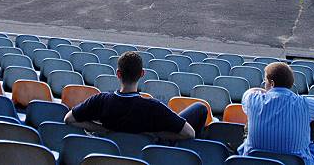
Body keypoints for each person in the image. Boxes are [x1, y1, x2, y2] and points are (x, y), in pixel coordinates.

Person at [65, 51, 208, 140]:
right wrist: (154, 134)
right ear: (142, 74)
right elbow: (190, 133)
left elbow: (69, 119)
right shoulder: (154, 107)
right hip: (150, 148)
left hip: (116, 149)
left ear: (118, 74)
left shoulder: (100, 100)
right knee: (200, 108)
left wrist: (102, 129)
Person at [238, 62, 314, 165]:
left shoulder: (253, 100)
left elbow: (250, 92)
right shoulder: (305, 104)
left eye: (265, 81)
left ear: (272, 83)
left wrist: (267, 93)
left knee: (250, 122)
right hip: (297, 162)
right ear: (290, 83)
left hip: (254, 162)